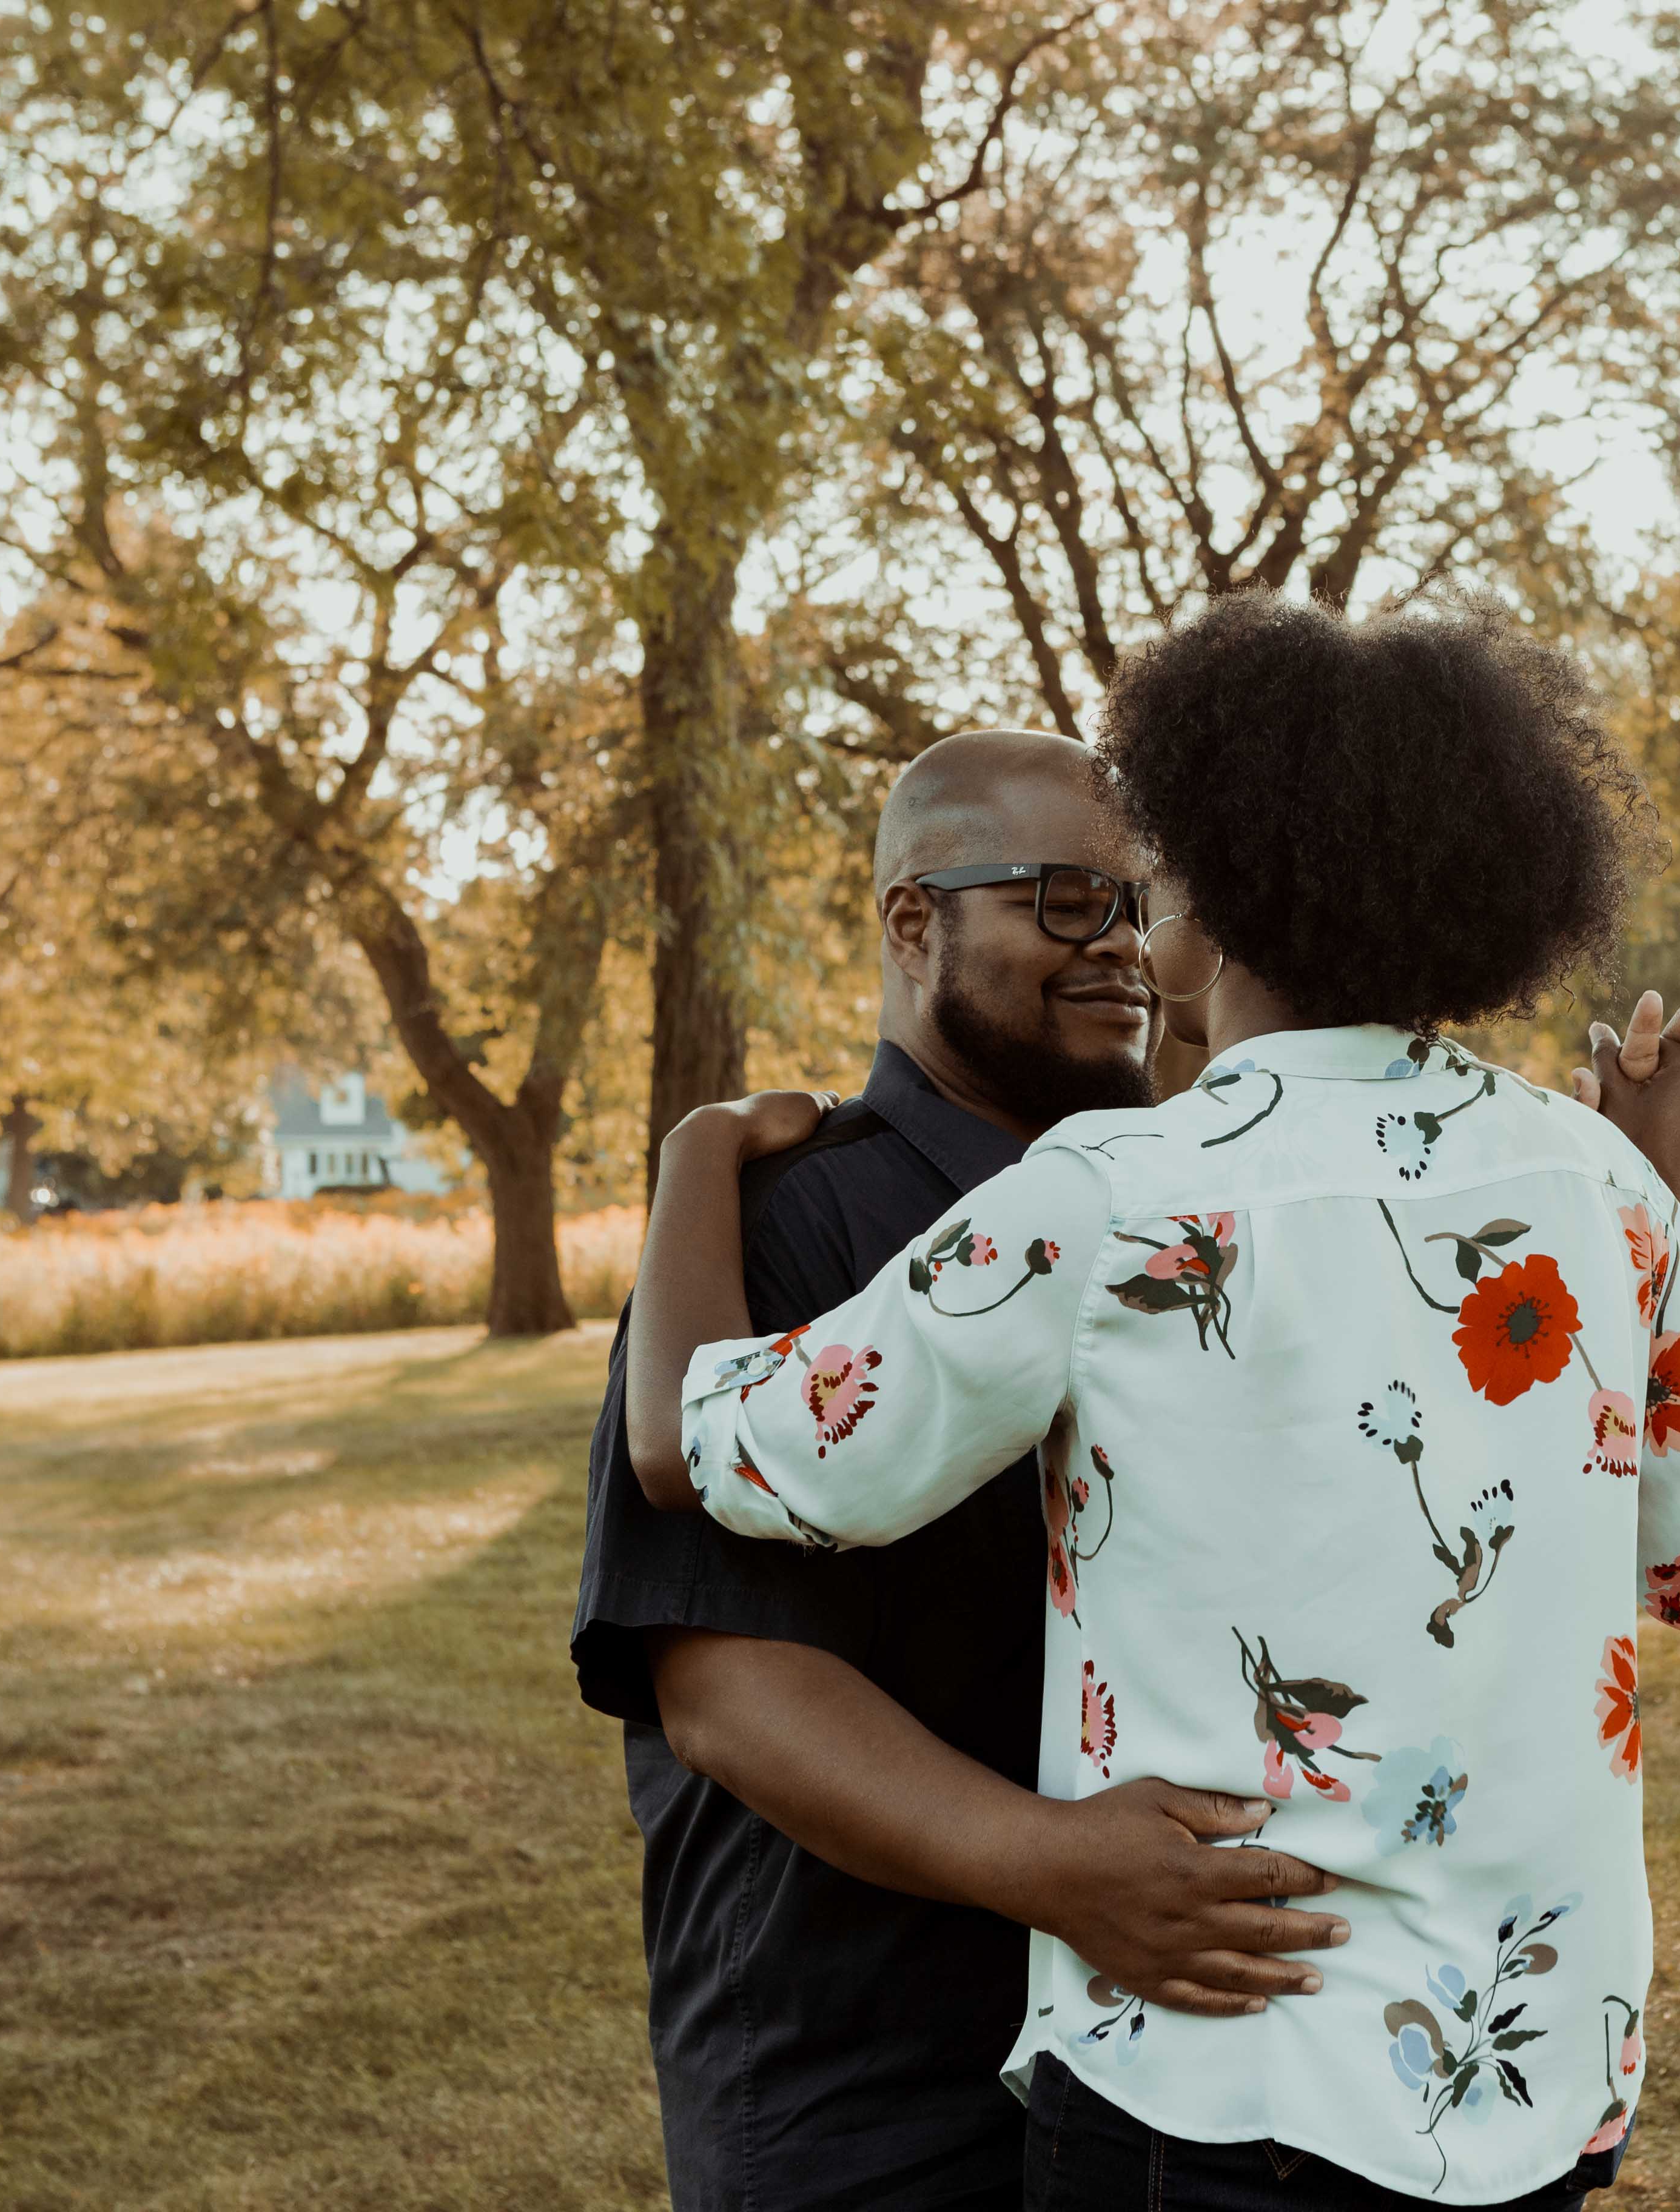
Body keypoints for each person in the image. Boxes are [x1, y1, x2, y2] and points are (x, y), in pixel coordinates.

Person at [633, 594, 1680, 2209]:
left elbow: (723, 1444)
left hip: (1229, 2092)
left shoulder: (1117, 1190)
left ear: (1219, 900)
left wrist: (697, 1155)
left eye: (1152, 878)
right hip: (1538, 2085)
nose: (1133, 924)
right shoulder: (1593, 1182)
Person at [573, 728, 1354, 2212]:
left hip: (1166, 2067)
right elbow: (726, 1691)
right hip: (868, 2074)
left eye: (1137, 905)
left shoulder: (1185, 1214)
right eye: (1063, 899)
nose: (1118, 945)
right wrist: (1056, 1866)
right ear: (912, 919)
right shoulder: (783, 1225)